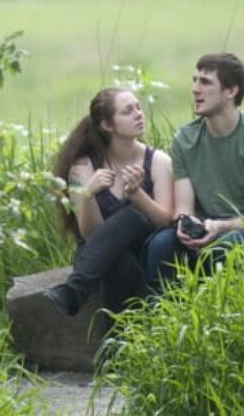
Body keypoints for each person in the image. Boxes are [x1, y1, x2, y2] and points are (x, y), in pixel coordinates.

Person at [145, 52, 244, 291]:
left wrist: (218, 227)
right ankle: (161, 319)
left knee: (222, 248)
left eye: (205, 82)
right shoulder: (185, 139)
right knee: (160, 245)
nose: (195, 89)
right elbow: (184, 208)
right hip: (203, 227)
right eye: (194, 80)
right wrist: (187, 226)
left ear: (231, 91)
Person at [44, 87, 174, 316]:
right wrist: (87, 194)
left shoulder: (158, 161)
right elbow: (89, 234)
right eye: (127, 111)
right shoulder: (81, 168)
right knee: (120, 265)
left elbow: (166, 221)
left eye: (138, 107)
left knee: (134, 217)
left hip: (143, 248)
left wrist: (137, 195)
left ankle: (75, 289)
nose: (138, 114)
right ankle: (113, 351)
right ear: (107, 125)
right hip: (99, 252)